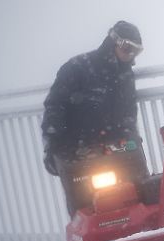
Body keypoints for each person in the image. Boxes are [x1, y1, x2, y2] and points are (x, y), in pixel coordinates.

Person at [41, 21, 149, 215]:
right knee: (86, 204)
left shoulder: (126, 76)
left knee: (141, 188)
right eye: (127, 48)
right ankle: (89, 237)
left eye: (136, 51)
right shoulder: (76, 69)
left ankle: (148, 227)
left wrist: (130, 137)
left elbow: (128, 112)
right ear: (113, 42)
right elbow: (55, 106)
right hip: (76, 147)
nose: (130, 55)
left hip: (115, 143)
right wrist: (54, 145)